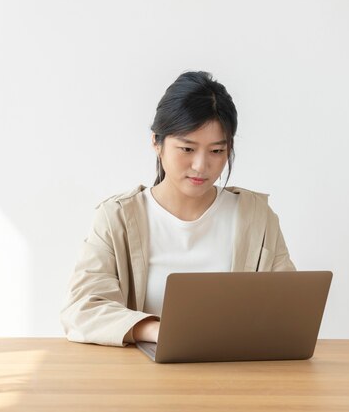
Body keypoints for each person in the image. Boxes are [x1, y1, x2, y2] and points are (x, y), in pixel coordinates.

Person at [61, 71, 295, 347]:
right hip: (145, 379)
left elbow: (289, 310)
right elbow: (82, 310)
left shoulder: (256, 217)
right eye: (187, 149)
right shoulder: (117, 218)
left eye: (217, 151)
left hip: (234, 375)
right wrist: (157, 330)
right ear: (156, 143)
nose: (201, 165)